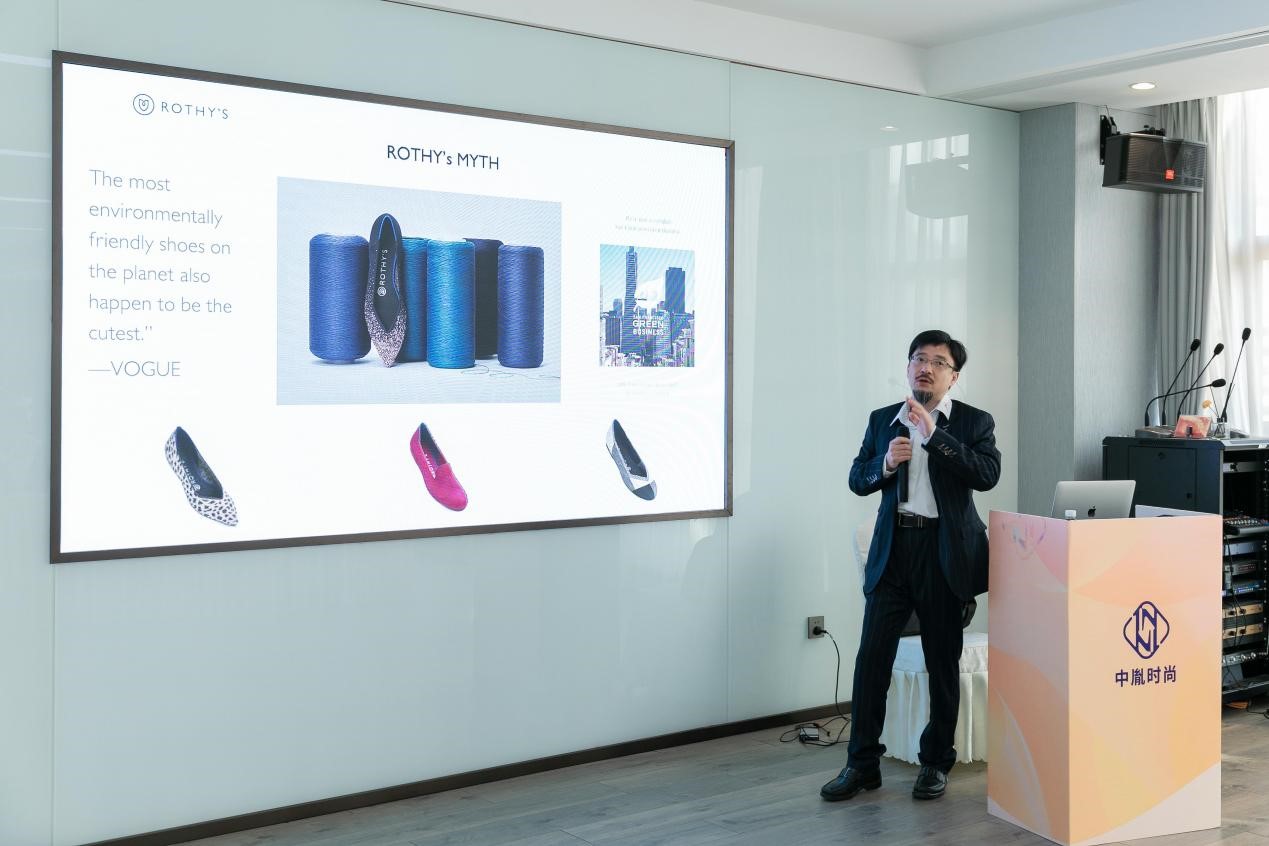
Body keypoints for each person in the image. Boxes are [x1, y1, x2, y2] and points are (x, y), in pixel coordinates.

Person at [820, 329, 1000, 802]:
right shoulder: (884, 419)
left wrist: (934, 436)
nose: (926, 367)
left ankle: (936, 761)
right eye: (919, 358)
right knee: (871, 661)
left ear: (953, 377)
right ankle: (862, 764)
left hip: (944, 553)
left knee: (942, 662)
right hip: (894, 550)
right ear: (908, 367)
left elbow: (986, 474)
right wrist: (884, 464)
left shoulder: (973, 422)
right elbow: (857, 478)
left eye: (938, 362)